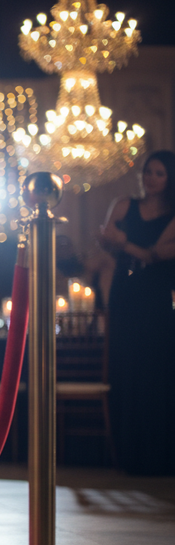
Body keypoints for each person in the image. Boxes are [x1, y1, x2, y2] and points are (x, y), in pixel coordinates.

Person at [100, 150, 175, 476]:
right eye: (148, 172)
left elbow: (154, 255)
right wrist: (111, 242)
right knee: (124, 367)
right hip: (124, 292)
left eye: (159, 173)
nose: (151, 178)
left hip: (155, 298)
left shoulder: (173, 215)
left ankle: (156, 457)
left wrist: (123, 241)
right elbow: (106, 241)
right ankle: (125, 454)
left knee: (154, 372)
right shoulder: (124, 203)